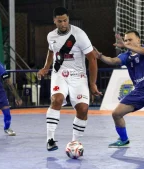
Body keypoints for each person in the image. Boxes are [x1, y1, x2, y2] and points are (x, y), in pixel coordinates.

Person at [37, 7, 102, 151]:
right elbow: (51, 50)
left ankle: (74, 142)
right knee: (57, 100)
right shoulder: (51, 36)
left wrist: (92, 83)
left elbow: (92, 59)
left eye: (65, 20)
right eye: (59, 21)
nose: (63, 24)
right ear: (54, 21)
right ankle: (50, 139)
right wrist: (46, 67)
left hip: (78, 76)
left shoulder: (80, 35)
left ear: (68, 19)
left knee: (83, 109)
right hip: (59, 74)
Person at [94, 30, 144, 149]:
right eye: (125, 40)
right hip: (138, 92)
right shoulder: (126, 56)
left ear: (138, 40)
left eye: (130, 40)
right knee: (116, 114)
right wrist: (100, 56)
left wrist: (125, 45)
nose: (127, 42)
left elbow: (143, 51)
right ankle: (124, 140)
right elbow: (112, 60)